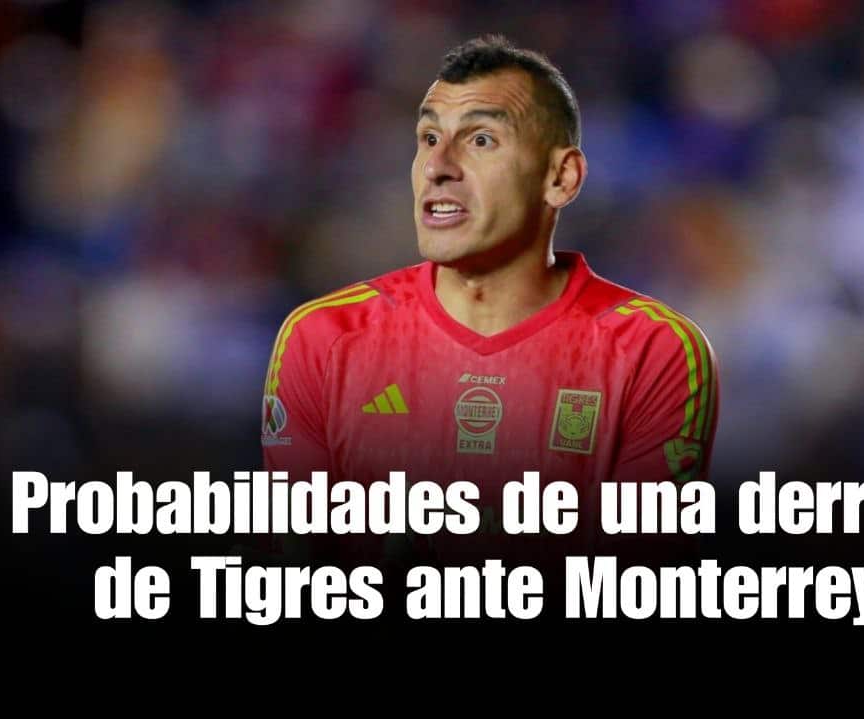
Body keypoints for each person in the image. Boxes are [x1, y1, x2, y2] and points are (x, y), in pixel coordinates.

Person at [260, 35, 718, 563]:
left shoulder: (652, 351)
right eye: (429, 138)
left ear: (560, 177)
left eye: (480, 140)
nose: (438, 166)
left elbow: (641, 581)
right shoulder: (323, 339)